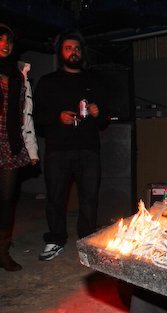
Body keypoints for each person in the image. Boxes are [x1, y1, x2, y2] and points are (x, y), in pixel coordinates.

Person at [34, 31, 108, 261]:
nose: (73, 52)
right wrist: (58, 118)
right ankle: (56, 239)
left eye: (76, 48)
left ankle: (87, 239)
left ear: (81, 52)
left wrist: (98, 112)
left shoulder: (93, 80)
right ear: (61, 52)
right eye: (68, 48)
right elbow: (36, 117)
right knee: (56, 198)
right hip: (58, 149)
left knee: (89, 197)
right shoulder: (48, 81)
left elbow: (105, 118)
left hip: (88, 149)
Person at [0, 23, 39, 271]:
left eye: (9, 41)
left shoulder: (19, 75)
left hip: (9, 143)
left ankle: (2, 252)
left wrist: (32, 150)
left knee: (6, 201)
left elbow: (26, 116)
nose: (5, 44)